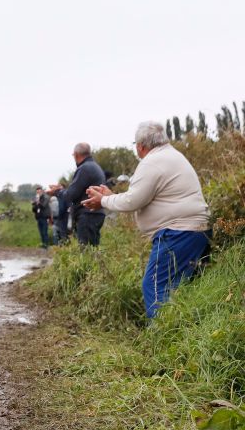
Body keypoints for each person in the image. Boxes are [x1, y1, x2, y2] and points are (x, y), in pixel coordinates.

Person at [83, 121, 210, 318]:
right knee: (180, 289)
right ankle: (184, 336)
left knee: (155, 285)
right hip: (192, 231)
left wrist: (104, 200)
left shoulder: (152, 162)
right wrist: (110, 196)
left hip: (177, 233)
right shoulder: (170, 156)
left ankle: (164, 338)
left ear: (140, 145)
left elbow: (132, 201)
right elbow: (142, 196)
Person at [51, 143, 105, 246]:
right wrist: (62, 190)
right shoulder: (94, 167)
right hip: (95, 213)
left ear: (76, 154)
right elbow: (77, 190)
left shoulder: (84, 168)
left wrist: (57, 191)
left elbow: (70, 195)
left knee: (86, 252)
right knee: (92, 250)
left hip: (87, 215)